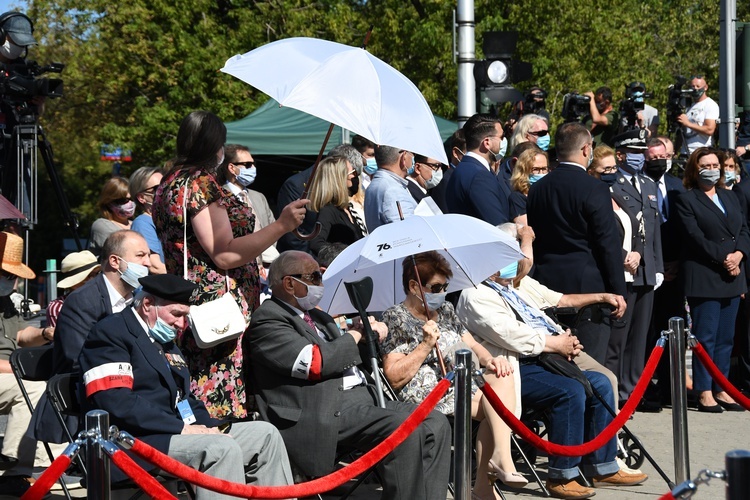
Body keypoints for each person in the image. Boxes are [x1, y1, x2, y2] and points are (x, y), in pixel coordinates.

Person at [247, 250, 452, 500]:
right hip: (322, 409)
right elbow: (314, 363)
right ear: (289, 283)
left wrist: (368, 334)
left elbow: (347, 351)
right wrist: (356, 334)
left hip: (361, 400)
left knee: (436, 422)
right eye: (314, 277)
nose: (320, 284)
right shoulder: (268, 320)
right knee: (403, 429)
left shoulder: (318, 317)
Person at [78, 274, 294, 498]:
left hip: (172, 434)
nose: (182, 325)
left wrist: (211, 427)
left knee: (265, 435)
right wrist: (181, 428)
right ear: (148, 304)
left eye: (186, 316)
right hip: (128, 441)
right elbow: (116, 402)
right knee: (219, 449)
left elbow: (183, 399)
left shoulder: (163, 339)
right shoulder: (111, 333)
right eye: (177, 314)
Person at [152, 110, 307, 420]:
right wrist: (281, 225)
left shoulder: (170, 181)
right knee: (218, 398)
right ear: (215, 146)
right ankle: (219, 457)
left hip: (192, 299)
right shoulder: (199, 184)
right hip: (216, 308)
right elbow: (224, 253)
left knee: (200, 386)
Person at [456, 250, 647, 499]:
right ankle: (562, 475)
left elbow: (544, 312)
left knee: (601, 383)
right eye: (505, 260)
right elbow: (508, 333)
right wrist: (555, 343)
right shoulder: (475, 294)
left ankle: (602, 465)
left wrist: (567, 340)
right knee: (569, 390)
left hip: (546, 356)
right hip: (514, 365)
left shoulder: (512, 288)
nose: (512, 266)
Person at [380, 251, 526, 498]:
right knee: (498, 408)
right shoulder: (395, 317)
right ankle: (488, 480)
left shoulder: (446, 310)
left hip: (459, 382)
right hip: (426, 391)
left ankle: (498, 461)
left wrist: (490, 359)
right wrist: (425, 344)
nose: (441, 293)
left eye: (445, 286)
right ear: (414, 286)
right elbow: (394, 376)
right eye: (436, 287)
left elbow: (472, 345)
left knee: (502, 377)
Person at [28, 230, 151, 447]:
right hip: (89, 404)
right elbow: (77, 359)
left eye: (149, 256)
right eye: (141, 255)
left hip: (129, 395)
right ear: (115, 261)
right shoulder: (83, 301)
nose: (148, 263)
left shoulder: (138, 301)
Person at [527, 122, 627, 364]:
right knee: (590, 366)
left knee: (558, 365)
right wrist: (618, 292)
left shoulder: (538, 189)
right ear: (586, 149)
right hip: (589, 291)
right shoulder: (595, 188)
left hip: (547, 286)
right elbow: (607, 244)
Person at [675, 147, 750, 412]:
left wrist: (739, 255)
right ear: (695, 170)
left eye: (716, 164)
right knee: (705, 337)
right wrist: (726, 259)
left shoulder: (730, 197)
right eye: (706, 164)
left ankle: (722, 388)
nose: (713, 169)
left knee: (726, 339)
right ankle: (704, 390)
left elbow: (743, 228)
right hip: (706, 275)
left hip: (733, 275)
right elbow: (695, 237)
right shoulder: (687, 199)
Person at [0, 232, 68, 495]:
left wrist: (45, 333)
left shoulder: (4, 301)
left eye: (14, 276)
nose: (13, 283)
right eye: (8, 275)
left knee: (55, 382)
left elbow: (19, 335)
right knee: (33, 388)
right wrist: (23, 372)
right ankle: (13, 468)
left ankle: (53, 460)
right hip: (8, 374)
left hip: (7, 373)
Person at [607, 130, 664, 406]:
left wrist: (658, 266)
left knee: (640, 338)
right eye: (635, 151)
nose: (641, 157)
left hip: (647, 270)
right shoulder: (611, 183)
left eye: (643, 152)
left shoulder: (649, 184)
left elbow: (654, 232)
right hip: (625, 269)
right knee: (619, 337)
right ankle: (615, 392)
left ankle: (632, 393)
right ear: (620, 154)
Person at [0, 12, 44, 211]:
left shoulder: (24, 70)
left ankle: (18, 231)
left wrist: (37, 103)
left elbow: (35, 112)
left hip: (17, 142)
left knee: (18, 214)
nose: (18, 47)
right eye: (14, 40)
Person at [217, 144, 279, 278]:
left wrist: (264, 260)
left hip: (268, 267)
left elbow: (271, 228)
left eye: (254, 164)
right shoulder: (219, 198)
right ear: (232, 167)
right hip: (238, 270)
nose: (253, 168)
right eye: (248, 165)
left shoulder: (259, 197)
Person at [16, 250, 101, 346]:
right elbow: (65, 344)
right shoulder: (58, 306)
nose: (95, 279)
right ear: (74, 284)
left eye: (98, 273)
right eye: (89, 275)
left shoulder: (107, 299)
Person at [446, 113, 511, 225]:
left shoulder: (462, 169)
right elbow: (498, 226)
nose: (503, 141)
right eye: (501, 137)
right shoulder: (479, 176)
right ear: (487, 143)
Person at [306, 156, 364, 256]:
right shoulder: (328, 211)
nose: (355, 176)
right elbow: (316, 243)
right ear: (339, 179)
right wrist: (343, 257)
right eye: (352, 172)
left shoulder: (345, 208)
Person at [363, 145, 417, 231]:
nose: (413, 158)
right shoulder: (393, 190)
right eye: (412, 154)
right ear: (404, 157)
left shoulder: (376, 184)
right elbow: (406, 233)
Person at [129, 166, 166, 274]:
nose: (163, 191)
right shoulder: (143, 223)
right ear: (141, 198)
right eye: (157, 188)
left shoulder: (166, 221)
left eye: (166, 186)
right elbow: (155, 267)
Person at [88, 177, 134, 256]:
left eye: (132, 198)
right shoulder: (102, 225)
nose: (129, 203)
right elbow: (126, 251)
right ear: (108, 202)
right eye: (123, 200)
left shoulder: (137, 224)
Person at [677, 76, 719, 154]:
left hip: (702, 151)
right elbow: (682, 130)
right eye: (693, 86)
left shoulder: (710, 104)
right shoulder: (689, 106)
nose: (695, 89)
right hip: (686, 151)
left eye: (698, 86)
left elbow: (710, 130)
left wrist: (688, 124)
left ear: (705, 87)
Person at [509, 145, 547, 225]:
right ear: (524, 171)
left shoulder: (550, 193)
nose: (541, 173)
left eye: (544, 169)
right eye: (535, 169)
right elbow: (525, 227)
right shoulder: (517, 198)